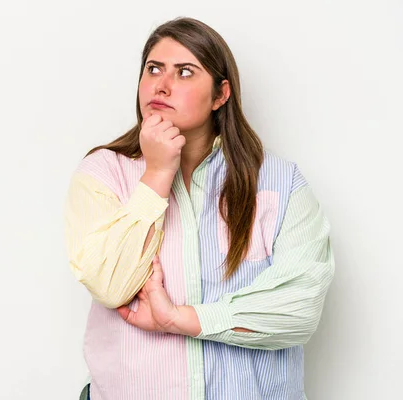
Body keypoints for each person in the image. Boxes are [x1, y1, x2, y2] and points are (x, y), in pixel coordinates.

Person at [64, 17, 334, 400]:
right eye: (153, 68)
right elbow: (109, 284)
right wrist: (157, 174)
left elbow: (299, 308)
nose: (161, 84)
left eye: (185, 72)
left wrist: (183, 320)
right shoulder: (103, 173)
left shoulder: (278, 183)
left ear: (220, 95)